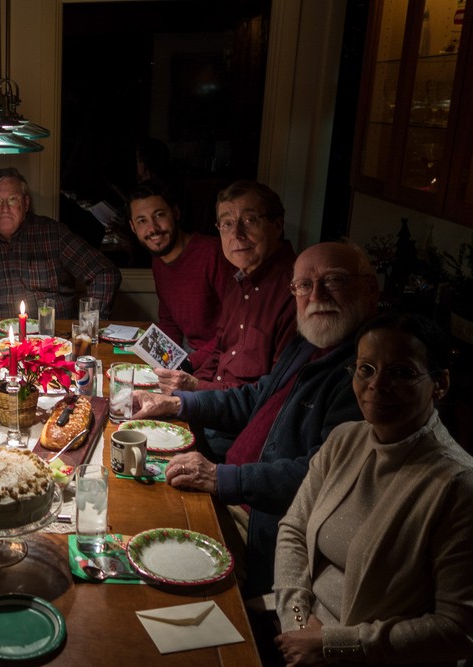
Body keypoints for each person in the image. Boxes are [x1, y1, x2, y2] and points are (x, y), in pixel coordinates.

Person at [131, 241, 380, 597]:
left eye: (334, 281)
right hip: (229, 487)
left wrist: (221, 477)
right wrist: (177, 404)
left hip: (258, 524)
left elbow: (323, 478)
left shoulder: (367, 374)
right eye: (304, 286)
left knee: (142, 567)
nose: (317, 295)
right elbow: (253, 399)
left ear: (370, 288)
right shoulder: (309, 343)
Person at [272, 313, 473, 666]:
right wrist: (298, 623)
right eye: (366, 368)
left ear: (440, 384)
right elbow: (293, 529)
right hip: (301, 638)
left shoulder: (458, 485)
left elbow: (458, 630)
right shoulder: (344, 440)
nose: (377, 385)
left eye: (401, 372)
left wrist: (334, 644)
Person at [155, 180, 298, 394]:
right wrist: (187, 386)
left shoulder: (297, 291)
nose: (237, 234)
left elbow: (273, 396)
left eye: (249, 220)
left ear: (277, 225)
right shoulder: (239, 279)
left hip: (241, 419)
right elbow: (219, 352)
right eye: (227, 223)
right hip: (213, 398)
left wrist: (194, 389)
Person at [0, 167, 122, 319]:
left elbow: (105, 274)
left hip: (55, 340)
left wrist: (87, 323)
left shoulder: (53, 234)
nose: (5, 208)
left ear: (26, 203)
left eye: (12, 199)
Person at [127, 179, 231, 361]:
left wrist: (190, 365)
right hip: (189, 353)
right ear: (133, 227)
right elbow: (169, 322)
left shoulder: (213, 254)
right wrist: (158, 362)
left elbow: (234, 327)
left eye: (159, 215)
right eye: (142, 221)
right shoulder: (159, 260)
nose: (153, 228)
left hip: (221, 359)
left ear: (175, 213)